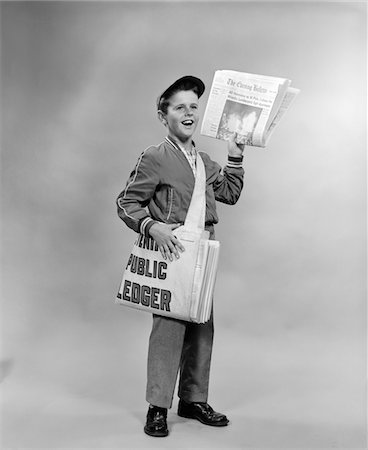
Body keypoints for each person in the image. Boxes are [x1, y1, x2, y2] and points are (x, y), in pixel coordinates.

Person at [116, 75, 245, 437]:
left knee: (202, 325)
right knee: (169, 329)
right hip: (172, 250)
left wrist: (235, 155)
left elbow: (230, 193)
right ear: (163, 116)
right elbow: (126, 203)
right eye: (179, 107)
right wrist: (151, 226)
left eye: (193, 107)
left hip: (204, 249)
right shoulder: (155, 156)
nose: (188, 113)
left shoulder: (204, 160)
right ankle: (157, 407)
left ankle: (192, 399)